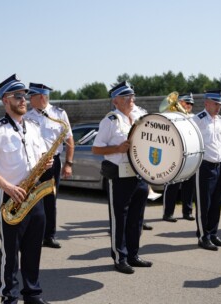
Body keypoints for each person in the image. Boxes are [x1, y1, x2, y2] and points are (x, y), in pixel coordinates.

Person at [0, 74, 51, 304]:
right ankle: (9, 296)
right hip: (10, 196)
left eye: (25, 95)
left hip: (34, 195)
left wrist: (46, 163)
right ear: (5, 101)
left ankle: (32, 294)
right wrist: (6, 186)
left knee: (33, 249)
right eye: (18, 96)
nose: (23, 100)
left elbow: (39, 159)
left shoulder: (34, 127)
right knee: (10, 253)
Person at [92, 81, 152, 274]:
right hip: (119, 175)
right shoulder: (110, 120)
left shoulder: (138, 116)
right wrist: (117, 148)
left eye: (133, 96)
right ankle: (120, 257)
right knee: (120, 218)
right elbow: (96, 148)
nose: (132, 100)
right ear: (116, 101)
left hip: (139, 173)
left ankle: (134, 255)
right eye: (127, 98)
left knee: (137, 217)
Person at [24, 82, 74, 248]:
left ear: (42, 97)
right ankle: (32, 234)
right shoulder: (26, 116)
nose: (29, 100)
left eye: (32, 96)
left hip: (53, 162)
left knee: (50, 200)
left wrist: (68, 163)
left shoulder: (59, 114)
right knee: (31, 199)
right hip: (33, 163)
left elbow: (69, 140)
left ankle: (49, 236)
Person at [192, 89, 221, 251]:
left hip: (218, 165)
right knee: (204, 204)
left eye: (220, 104)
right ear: (206, 103)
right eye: (215, 104)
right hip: (204, 166)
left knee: (216, 203)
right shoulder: (197, 119)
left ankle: (213, 234)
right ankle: (203, 236)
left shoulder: (220, 120)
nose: (218, 107)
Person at [162, 93, 196, 222]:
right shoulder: (171, 117)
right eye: (187, 103)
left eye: (191, 104)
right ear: (180, 103)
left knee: (189, 185)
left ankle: (187, 212)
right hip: (174, 154)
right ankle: (167, 213)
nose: (189, 106)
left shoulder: (193, 117)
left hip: (190, 154)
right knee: (172, 185)